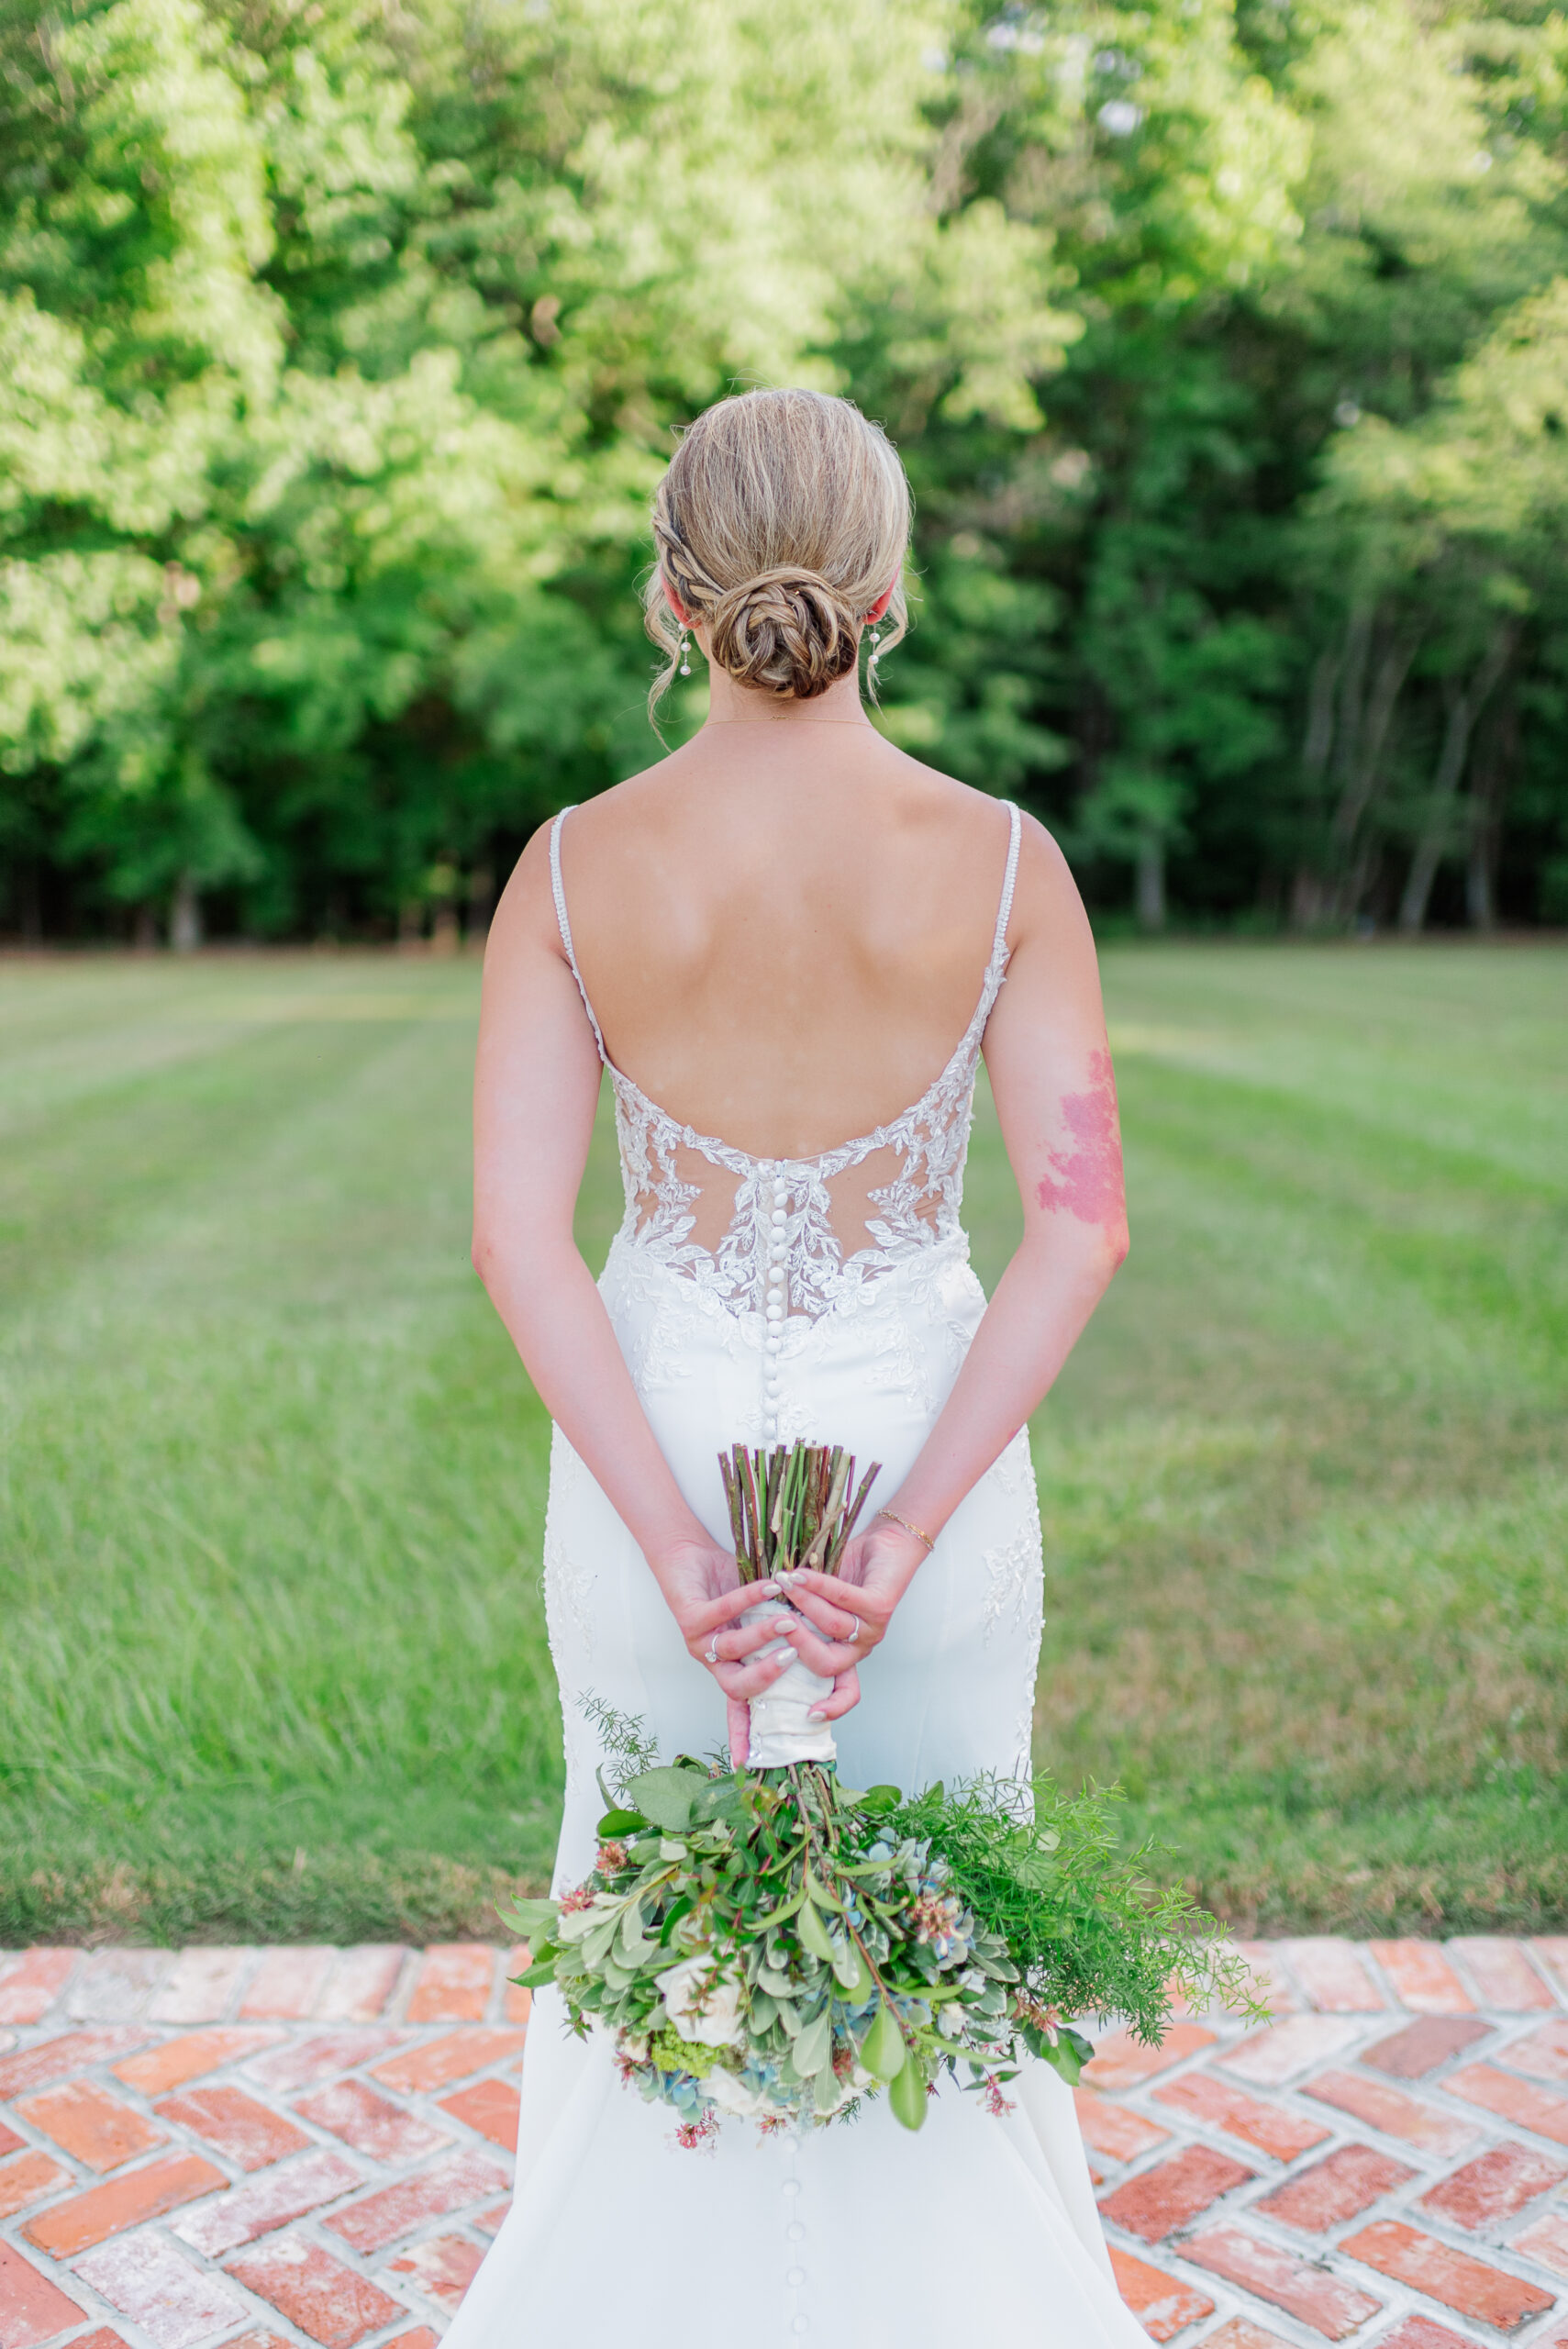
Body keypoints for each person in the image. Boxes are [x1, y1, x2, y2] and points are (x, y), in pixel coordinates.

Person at [462, 387, 1136, 2347]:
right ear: (893, 583)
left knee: (635, 1942)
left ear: (673, 596)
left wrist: (680, 1550)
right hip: (909, 1485)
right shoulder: (1006, 866)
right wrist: (907, 1530)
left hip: (650, 1466)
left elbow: (520, 1239)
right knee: (959, 1980)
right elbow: (1077, 1220)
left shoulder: (573, 870)